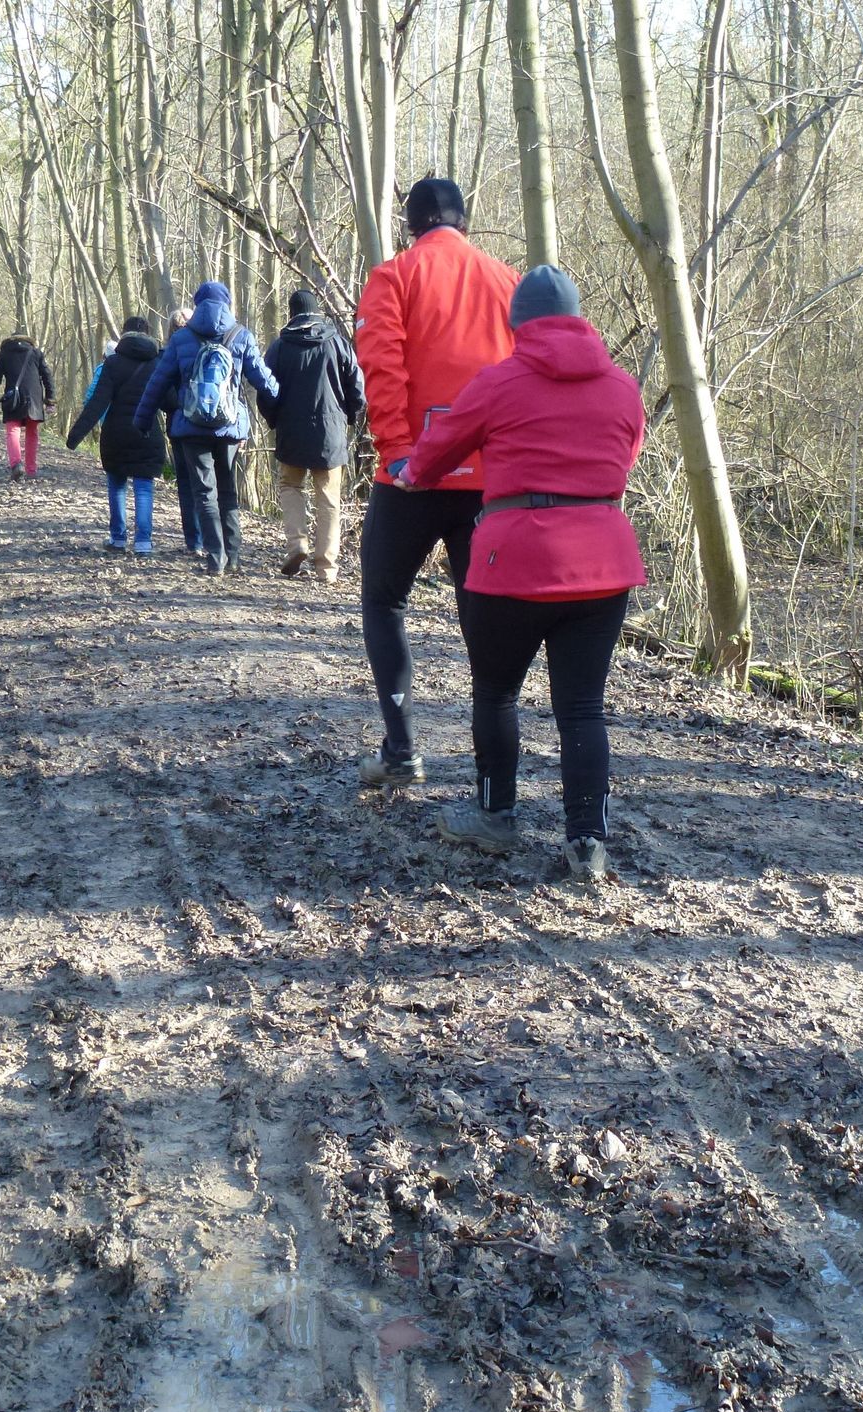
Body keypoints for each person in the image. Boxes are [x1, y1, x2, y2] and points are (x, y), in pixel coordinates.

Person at [392, 266, 645, 884]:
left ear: (518, 325)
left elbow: (435, 454)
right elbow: (625, 457)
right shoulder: (623, 387)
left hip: (514, 564)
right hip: (604, 563)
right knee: (582, 707)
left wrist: (410, 473)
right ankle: (587, 841)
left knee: (496, 692)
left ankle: (494, 815)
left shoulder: (497, 382)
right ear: (578, 318)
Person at [353, 177, 519, 786]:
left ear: (411, 225)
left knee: (384, 600)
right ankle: (491, 780)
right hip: (491, 481)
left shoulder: (395, 276)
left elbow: (382, 367)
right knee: (484, 616)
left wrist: (398, 451)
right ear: (464, 222)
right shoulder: (508, 281)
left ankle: (402, 749)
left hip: (412, 477)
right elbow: (526, 376)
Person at [133, 281, 278, 576]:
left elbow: (158, 382)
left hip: (192, 426)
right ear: (227, 304)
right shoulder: (241, 335)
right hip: (229, 427)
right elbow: (264, 382)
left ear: (197, 304)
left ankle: (215, 558)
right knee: (227, 490)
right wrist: (282, 398)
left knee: (204, 493)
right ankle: (233, 556)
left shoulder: (181, 338)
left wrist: (142, 420)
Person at [257, 289, 366, 583]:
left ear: (291, 314)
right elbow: (357, 387)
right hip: (330, 432)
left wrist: (274, 420)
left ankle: (297, 545)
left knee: (290, 485)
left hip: (291, 430)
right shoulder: (337, 343)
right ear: (317, 311)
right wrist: (349, 417)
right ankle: (326, 567)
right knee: (329, 498)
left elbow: (265, 390)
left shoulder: (280, 347)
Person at [66, 316, 166, 555]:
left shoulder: (112, 363)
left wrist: (75, 436)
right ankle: (143, 542)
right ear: (149, 334)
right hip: (147, 432)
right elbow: (171, 401)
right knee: (144, 488)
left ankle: (118, 539)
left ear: (123, 334)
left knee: (117, 485)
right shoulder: (157, 364)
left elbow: (97, 403)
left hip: (116, 434)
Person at [0, 329, 56, 481]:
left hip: (13, 398)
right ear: (27, 340)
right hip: (34, 398)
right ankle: (31, 470)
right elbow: (47, 376)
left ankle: (16, 464)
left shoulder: (4, 354)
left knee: (13, 430)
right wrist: (50, 400)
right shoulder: (36, 353)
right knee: (32, 432)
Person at [167, 306, 202, 554]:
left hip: (179, 425)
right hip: (209, 425)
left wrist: (178, 406)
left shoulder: (169, 352)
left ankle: (194, 541)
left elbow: (162, 394)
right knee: (207, 482)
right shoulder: (208, 347)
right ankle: (213, 539)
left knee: (186, 484)